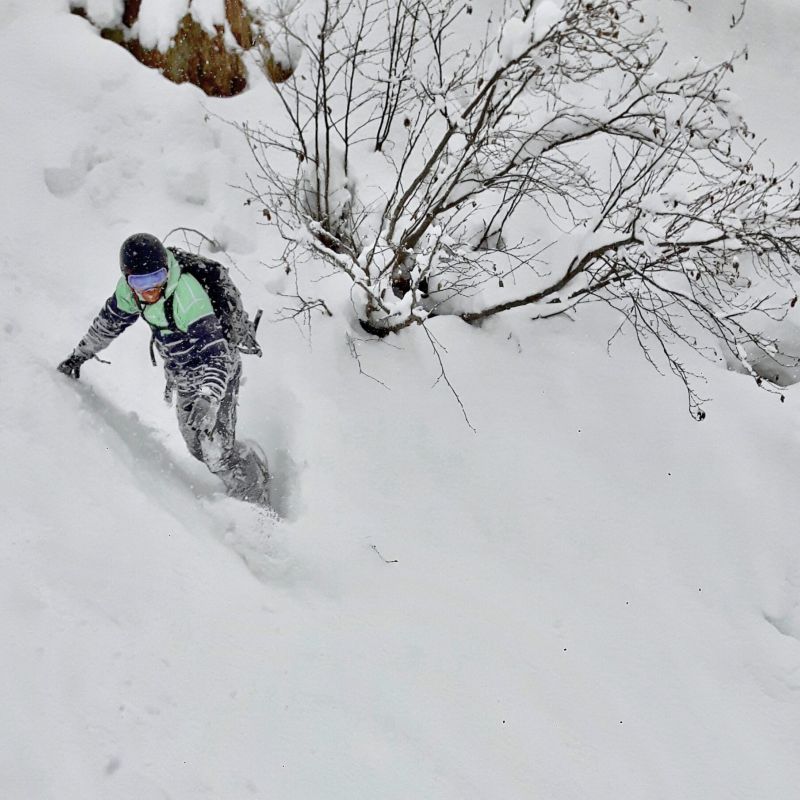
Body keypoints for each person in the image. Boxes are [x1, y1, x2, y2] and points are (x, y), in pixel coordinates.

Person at [57, 232, 270, 506]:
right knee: (197, 447)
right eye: (140, 281)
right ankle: (247, 458)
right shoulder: (130, 295)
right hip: (184, 376)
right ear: (128, 280)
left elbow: (216, 355)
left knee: (217, 453)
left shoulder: (187, 297)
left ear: (167, 272)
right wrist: (80, 354)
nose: (150, 289)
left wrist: (209, 396)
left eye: (156, 279)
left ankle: (255, 502)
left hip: (217, 373)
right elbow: (107, 325)